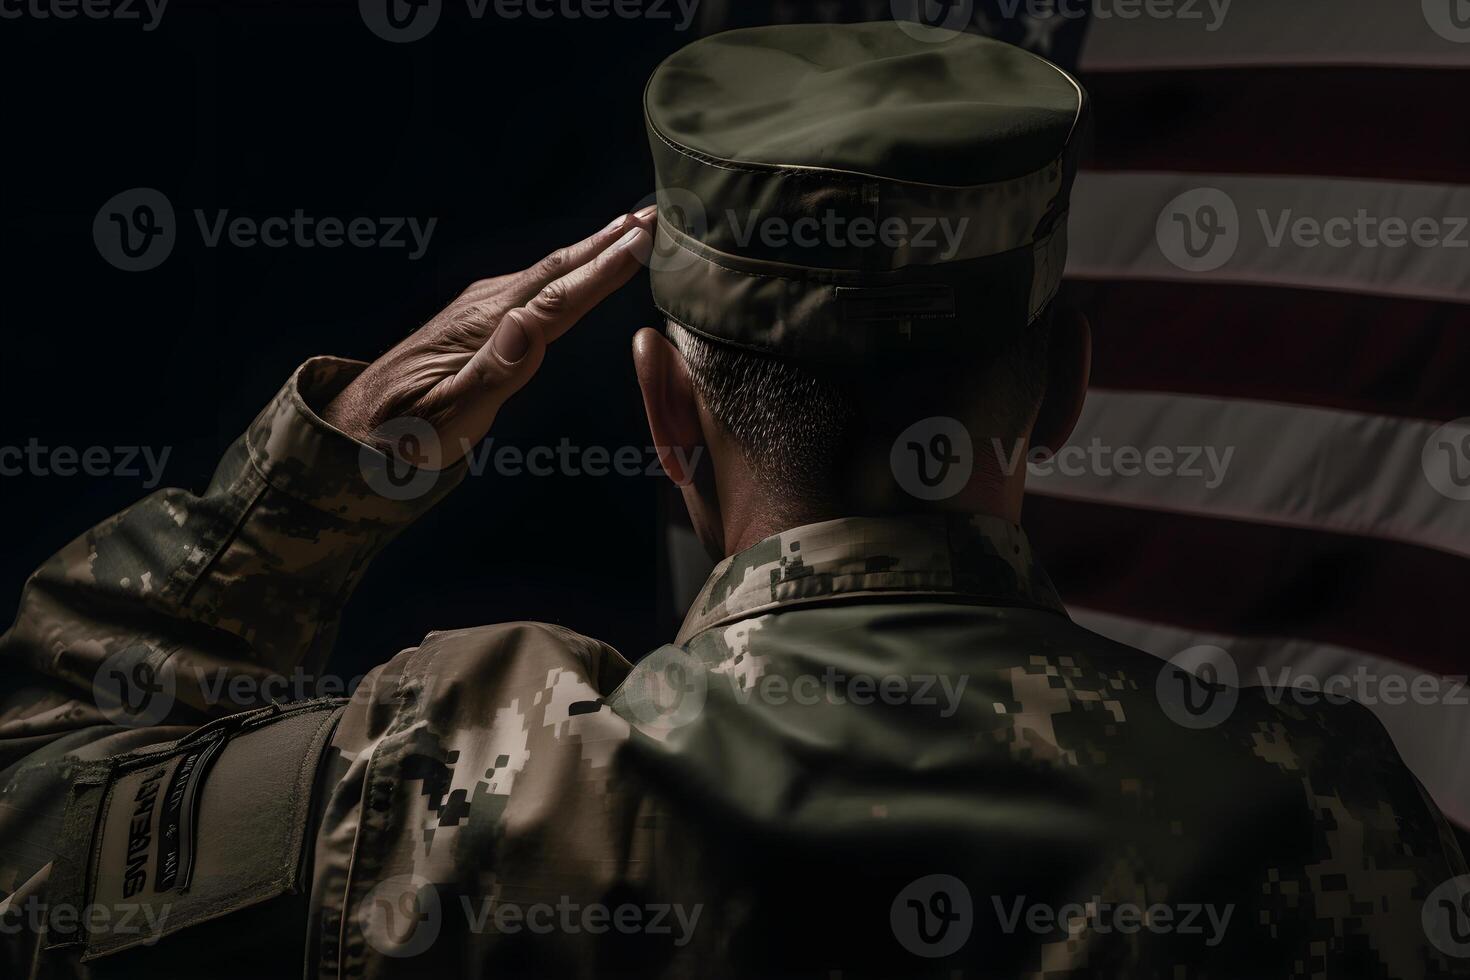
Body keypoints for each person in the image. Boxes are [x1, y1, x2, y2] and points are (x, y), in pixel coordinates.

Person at [2, 22, 1466, 980]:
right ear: (1067, 383)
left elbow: (32, 829)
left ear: (660, 407)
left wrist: (320, 476)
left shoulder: (461, 788)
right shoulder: (1327, 815)